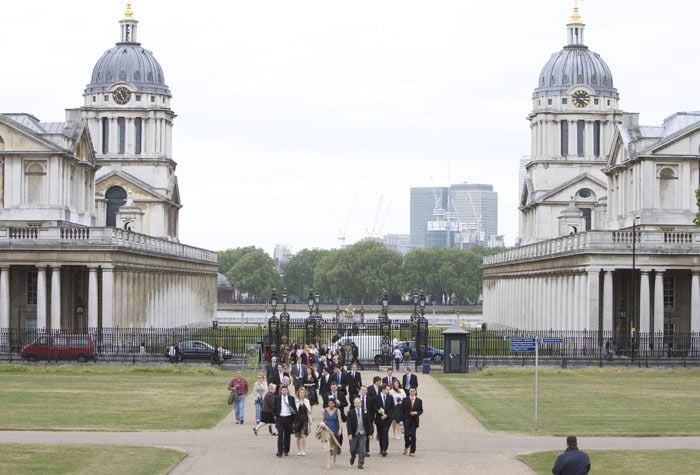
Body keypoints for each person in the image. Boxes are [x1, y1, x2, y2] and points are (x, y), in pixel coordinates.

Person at [347, 397, 371, 470]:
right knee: (353, 449)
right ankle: (353, 457)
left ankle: (360, 464)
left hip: (363, 433)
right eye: (356, 403)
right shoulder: (350, 412)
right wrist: (349, 434)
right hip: (354, 434)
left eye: (359, 403)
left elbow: (368, 423)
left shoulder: (365, 412)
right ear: (354, 404)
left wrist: (369, 433)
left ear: (361, 403)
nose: (357, 404)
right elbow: (349, 424)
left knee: (362, 450)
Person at [274, 385, 297, 457]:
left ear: (287, 391)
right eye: (283, 390)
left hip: (288, 418)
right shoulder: (277, 398)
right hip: (280, 418)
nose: (284, 391)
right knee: (280, 435)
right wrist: (275, 416)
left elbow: (294, 409)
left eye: (285, 390)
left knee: (287, 435)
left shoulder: (291, 398)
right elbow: (274, 408)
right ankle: (279, 451)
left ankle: (286, 450)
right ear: (280, 391)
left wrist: (294, 420)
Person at [402, 387, 423, 457]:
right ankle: (407, 445)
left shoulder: (419, 400)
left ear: (415, 392)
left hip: (414, 421)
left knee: (413, 436)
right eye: (411, 391)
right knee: (406, 435)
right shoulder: (405, 400)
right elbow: (402, 410)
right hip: (407, 420)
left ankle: (412, 451)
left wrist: (416, 412)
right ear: (409, 392)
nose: (412, 392)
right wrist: (401, 420)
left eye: (413, 391)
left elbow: (421, 410)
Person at [375, 383, 394, 456]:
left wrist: (387, 415)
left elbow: (392, 408)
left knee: (385, 433)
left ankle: (384, 449)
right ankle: (381, 448)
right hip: (379, 419)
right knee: (380, 434)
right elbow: (374, 407)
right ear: (383, 390)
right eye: (387, 389)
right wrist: (378, 411)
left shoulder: (390, 397)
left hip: (387, 419)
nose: (388, 391)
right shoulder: (377, 397)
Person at [293, 387, 312, 456]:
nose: (302, 394)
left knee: (303, 435)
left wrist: (310, 420)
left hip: (305, 420)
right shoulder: (295, 401)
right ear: (298, 393)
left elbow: (309, 412)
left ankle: (303, 450)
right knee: (298, 436)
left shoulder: (307, 401)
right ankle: (299, 450)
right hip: (297, 420)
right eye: (301, 392)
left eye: (303, 393)